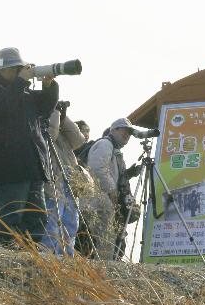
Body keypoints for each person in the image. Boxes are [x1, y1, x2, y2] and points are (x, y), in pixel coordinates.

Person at [0, 48, 60, 247]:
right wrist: (21, 82)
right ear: (2, 70)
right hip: (10, 167)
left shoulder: (25, 93)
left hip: (33, 166)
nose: (18, 72)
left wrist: (49, 85)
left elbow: (45, 108)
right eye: (15, 69)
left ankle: (30, 257)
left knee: (37, 218)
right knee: (11, 217)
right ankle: (8, 259)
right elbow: (3, 106)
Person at [86, 118, 142, 260]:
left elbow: (112, 174)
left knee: (107, 238)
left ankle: (105, 266)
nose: (127, 135)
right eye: (124, 130)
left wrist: (129, 173)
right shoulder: (105, 144)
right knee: (103, 238)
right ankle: (103, 269)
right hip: (98, 199)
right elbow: (97, 168)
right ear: (113, 130)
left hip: (103, 199)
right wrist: (112, 190)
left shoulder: (113, 149)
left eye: (129, 133)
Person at [41, 104, 89, 255]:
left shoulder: (61, 125)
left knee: (71, 222)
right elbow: (50, 136)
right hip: (55, 178)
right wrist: (54, 113)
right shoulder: (43, 124)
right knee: (53, 219)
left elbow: (79, 141)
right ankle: (47, 254)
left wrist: (64, 117)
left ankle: (67, 255)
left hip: (70, 179)